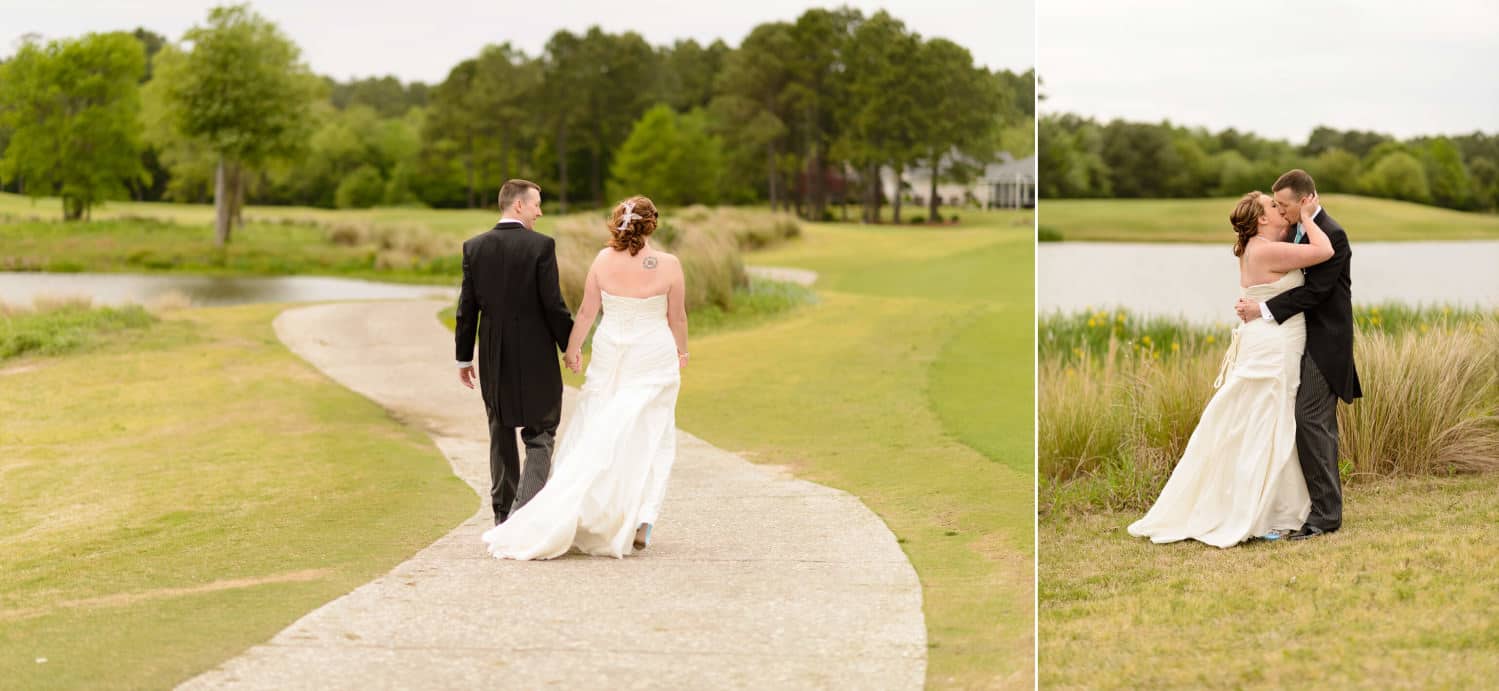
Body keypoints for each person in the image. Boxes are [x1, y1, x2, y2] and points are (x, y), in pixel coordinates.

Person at [481, 195, 689, 559]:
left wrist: (572, 349)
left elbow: (586, 312)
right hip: (652, 354)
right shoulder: (669, 265)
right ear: (652, 224)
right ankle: (643, 518)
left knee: (598, 428)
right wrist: (681, 351)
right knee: (652, 434)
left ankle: (588, 510)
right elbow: (678, 318)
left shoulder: (603, 260)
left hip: (612, 352)